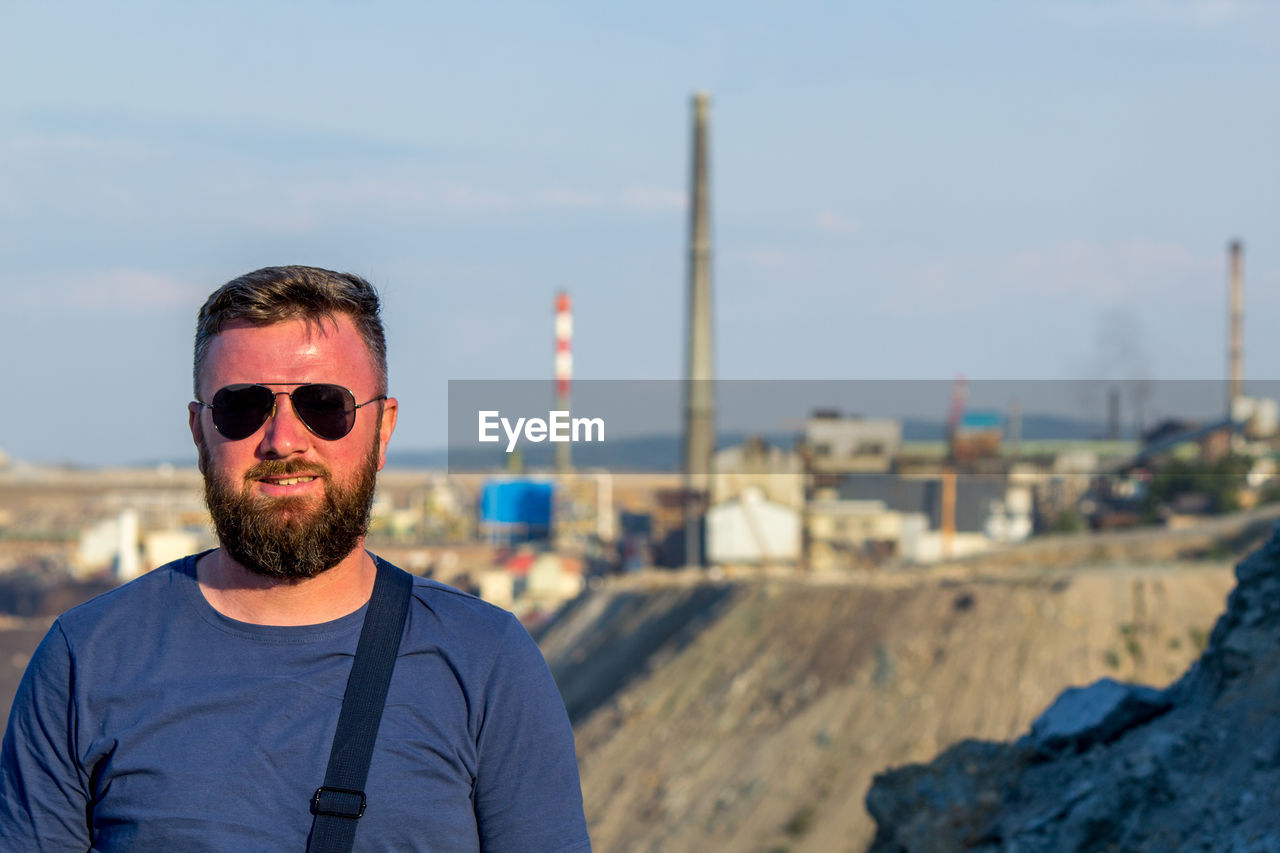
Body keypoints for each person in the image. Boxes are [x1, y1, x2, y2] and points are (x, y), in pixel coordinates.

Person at [0, 266, 592, 851]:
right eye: (241, 407)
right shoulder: (87, 661)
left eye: (325, 405)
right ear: (199, 431)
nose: (283, 439)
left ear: (382, 430)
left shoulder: (485, 664)